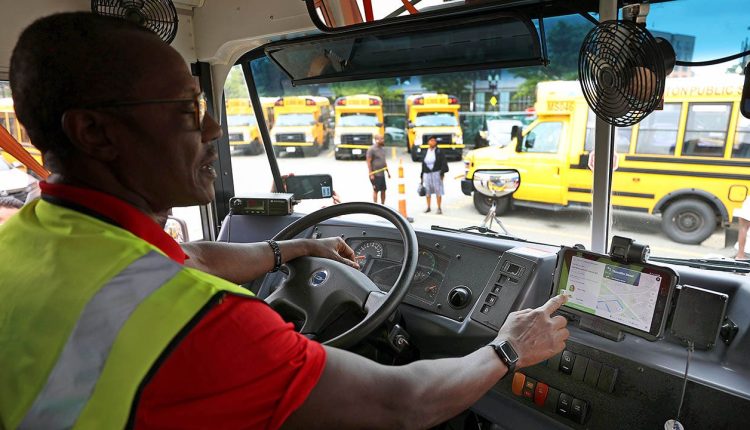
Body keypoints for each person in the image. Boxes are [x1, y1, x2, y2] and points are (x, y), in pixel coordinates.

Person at [0, 13, 568, 430]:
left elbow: (191, 257)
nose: (214, 130)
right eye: (186, 110)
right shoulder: (202, 322)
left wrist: (294, 250)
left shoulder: (32, 237)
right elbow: (404, 403)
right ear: (94, 133)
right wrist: (509, 348)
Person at [420, 136, 449, 214]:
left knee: (438, 190)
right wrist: (421, 176)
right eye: (431, 140)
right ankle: (428, 207)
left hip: (436, 173)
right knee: (427, 190)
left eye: (434, 141)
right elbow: (423, 164)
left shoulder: (439, 151)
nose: (432, 142)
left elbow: (443, 162)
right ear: (428, 142)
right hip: (427, 173)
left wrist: (442, 173)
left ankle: (439, 208)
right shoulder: (425, 151)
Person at [366, 134, 390, 204]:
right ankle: (375, 205)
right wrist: (371, 173)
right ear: (376, 140)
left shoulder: (382, 149)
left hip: (382, 174)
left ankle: (383, 205)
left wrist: (388, 172)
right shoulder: (372, 149)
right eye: (381, 139)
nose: (383, 140)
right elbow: (368, 162)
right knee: (376, 190)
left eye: (383, 138)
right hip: (375, 174)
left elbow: (384, 161)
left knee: (383, 190)